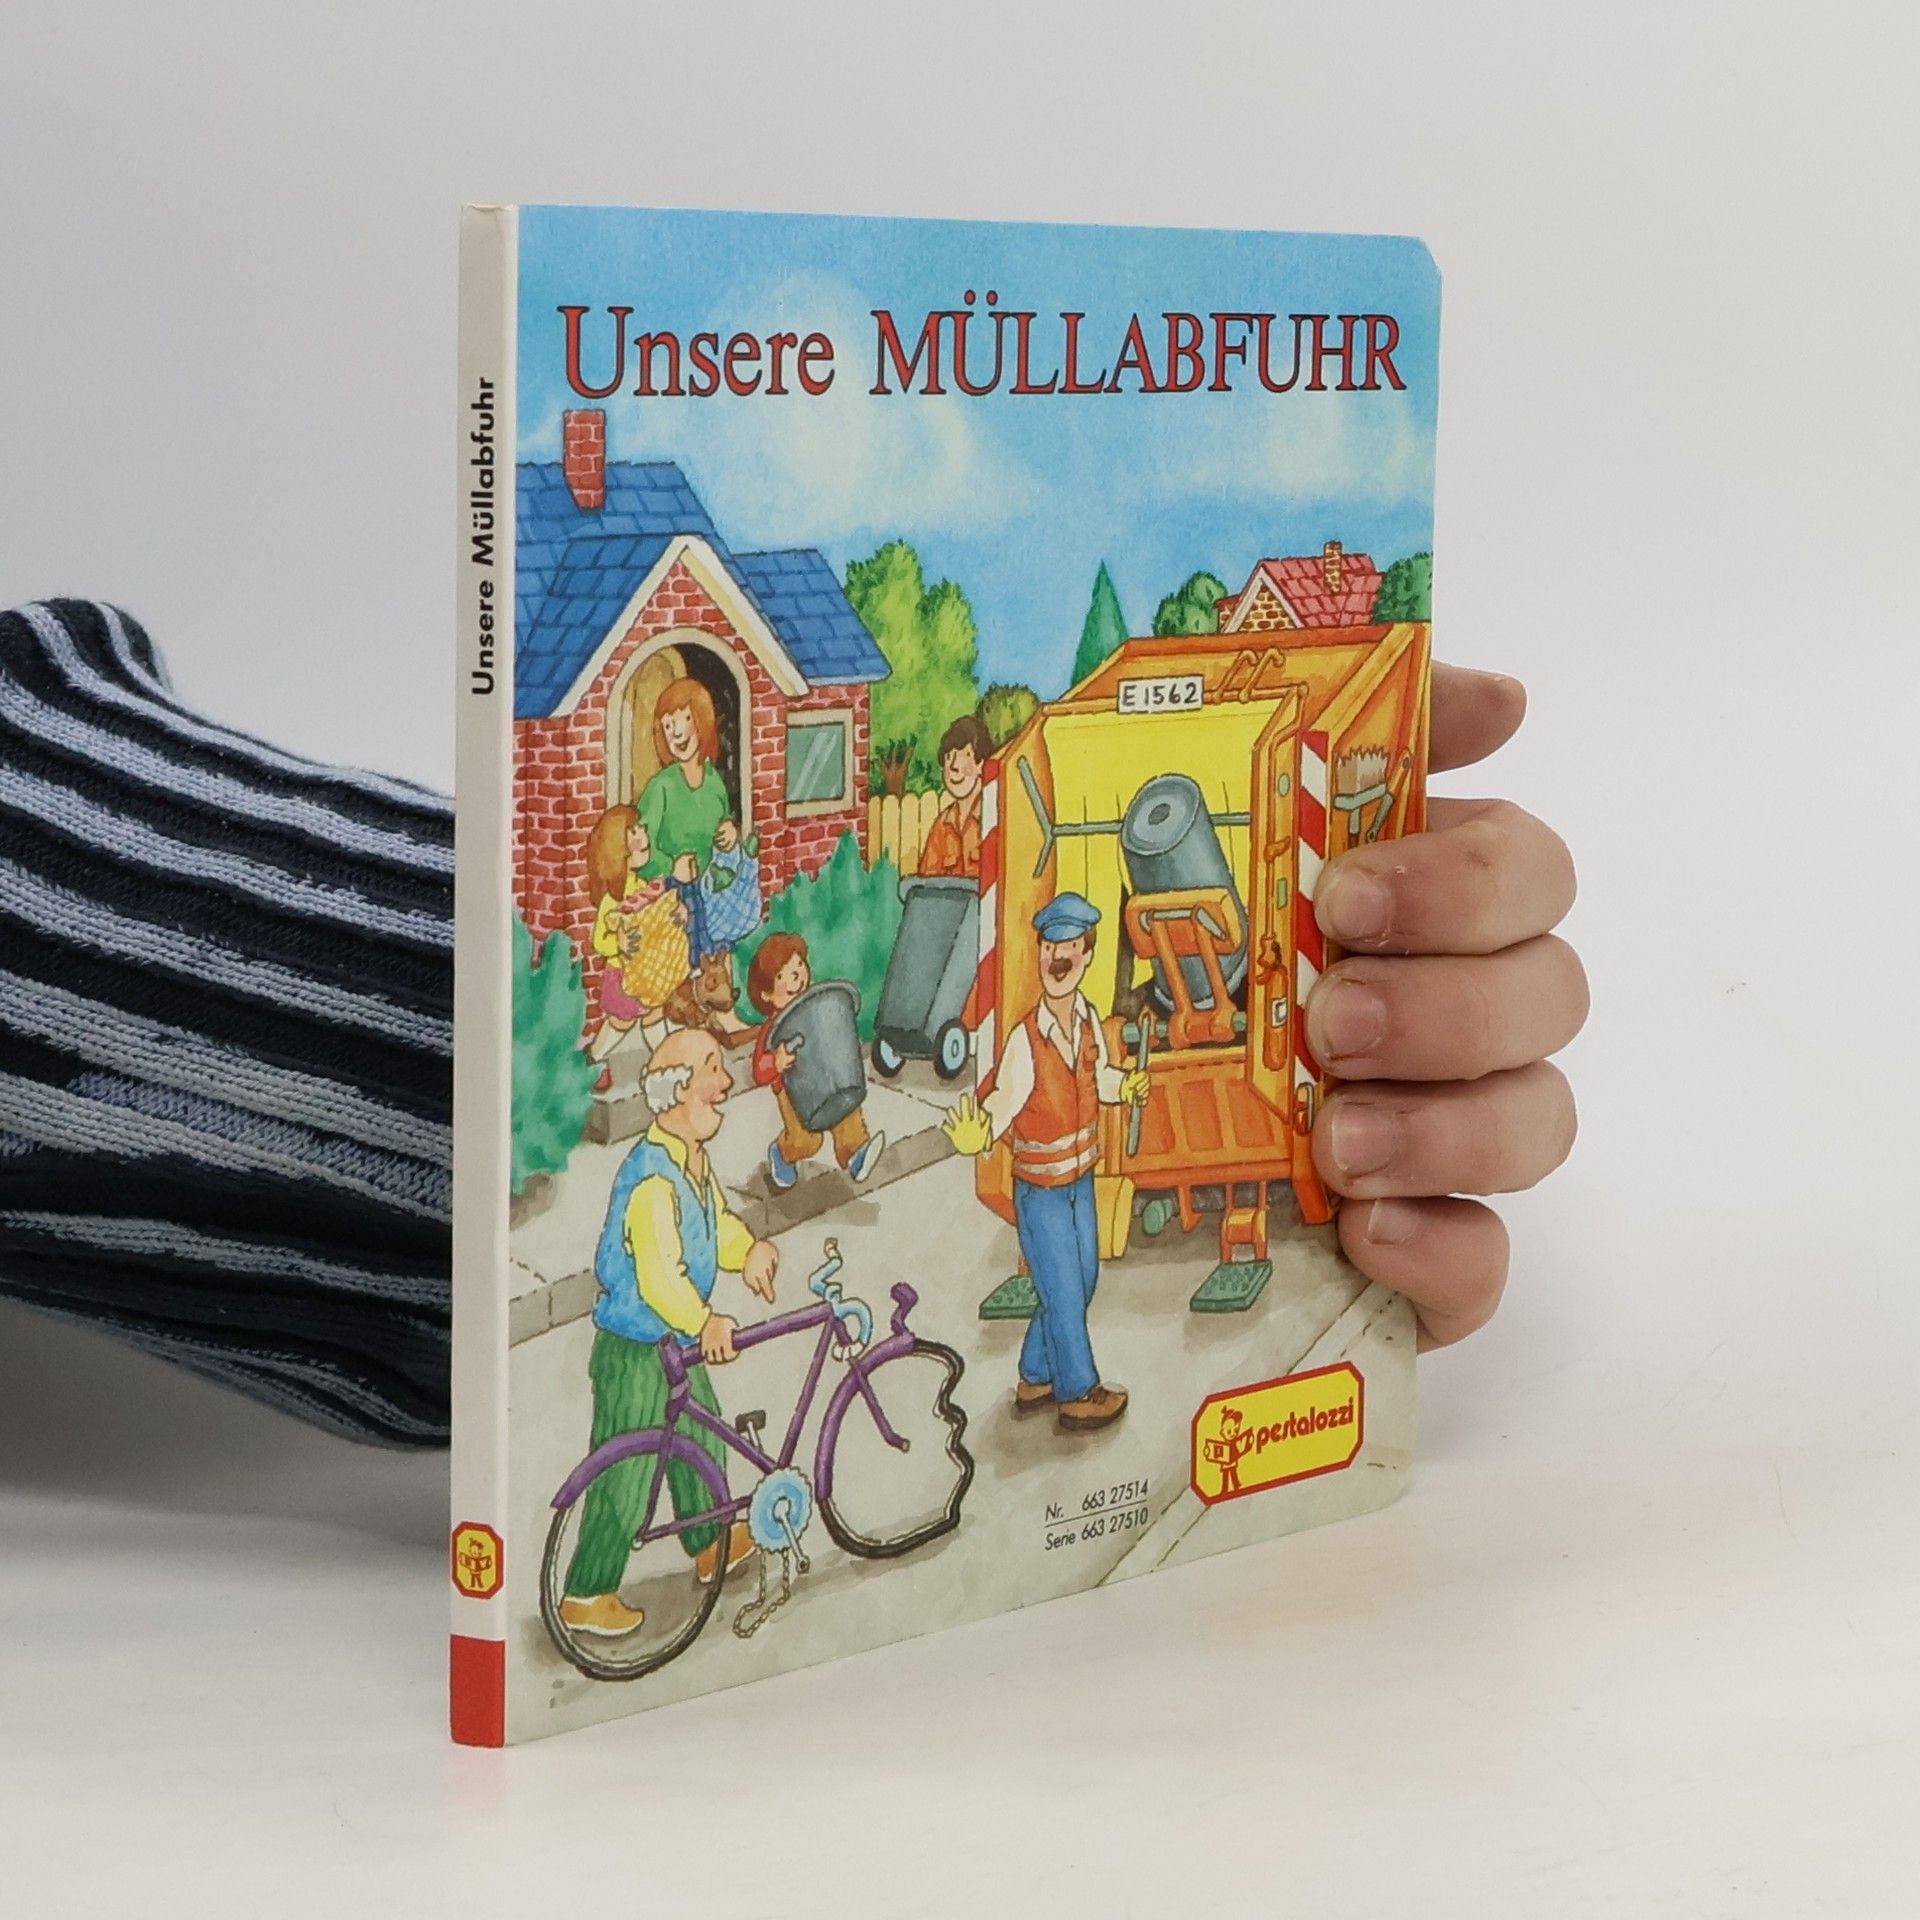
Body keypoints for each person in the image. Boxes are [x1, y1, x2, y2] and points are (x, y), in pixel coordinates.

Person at [558, 1029, 779, 1638]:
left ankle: (710, 1544)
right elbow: (660, 1277)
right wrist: (705, 1322)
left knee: (702, 1437)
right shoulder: (653, 1178)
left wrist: (748, 1251)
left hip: (674, 1345)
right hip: (635, 1348)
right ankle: (587, 1591)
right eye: (713, 1070)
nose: (725, 1084)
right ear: (678, 1089)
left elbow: (714, 1225)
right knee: (626, 1470)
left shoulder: (691, 1160)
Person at [943, 893, 1149, 1434]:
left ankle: (1036, 1374)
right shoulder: (1025, 1039)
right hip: (1040, 1192)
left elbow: (1098, 1079)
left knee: (1082, 1281)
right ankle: (1078, 1391)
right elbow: (1004, 1100)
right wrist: (981, 1132)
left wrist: (1125, 1086)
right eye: (1049, 948)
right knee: (1063, 1291)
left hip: (1080, 1179)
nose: (1057, 959)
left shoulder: (1087, 1021)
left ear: (1087, 956)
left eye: (1069, 948)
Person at [636, 673, 752, 1039]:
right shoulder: (661, 788)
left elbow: (723, 822)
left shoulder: (714, 781)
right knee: (683, 957)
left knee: (720, 950)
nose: (677, 733)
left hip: (712, 884)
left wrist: (731, 832)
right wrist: (670, 867)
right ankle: (682, 1028)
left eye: (684, 720)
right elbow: (639, 852)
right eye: (668, 725)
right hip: (676, 891)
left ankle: (726, 1017)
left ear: (701, 721)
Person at [747, 932, 886, 1192]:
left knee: (847, 1106)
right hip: (794, 1089)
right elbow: (759, 1070)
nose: (797, 975)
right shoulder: (774, 1029)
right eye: (783, 975)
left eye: (799, 965)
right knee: (806, 1140)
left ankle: (856, 1155)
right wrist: (775, 1062)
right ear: (767, 994)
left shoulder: (818, 1004)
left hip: (829, 1072)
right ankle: (783, 1153)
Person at [583, 805, 686, 1076]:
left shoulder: (642, 886)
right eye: (632, 831)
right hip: (622, 974)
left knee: (655, 1014)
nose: (642, 834)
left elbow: (655, 917)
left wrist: (676, 913)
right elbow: (599, 940)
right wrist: (618, 944)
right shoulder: (613, 897)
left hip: (646, 970)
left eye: (641, 828)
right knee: (620, 1021)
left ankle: (665, 1060)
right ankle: (594, 1057)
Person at [918, 712, 992, 879]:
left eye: (965, 755)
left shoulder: (993, 820)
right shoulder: (942, 826)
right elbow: (927, 882)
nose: (953, 766)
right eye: (948, 756)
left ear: (981, 763)